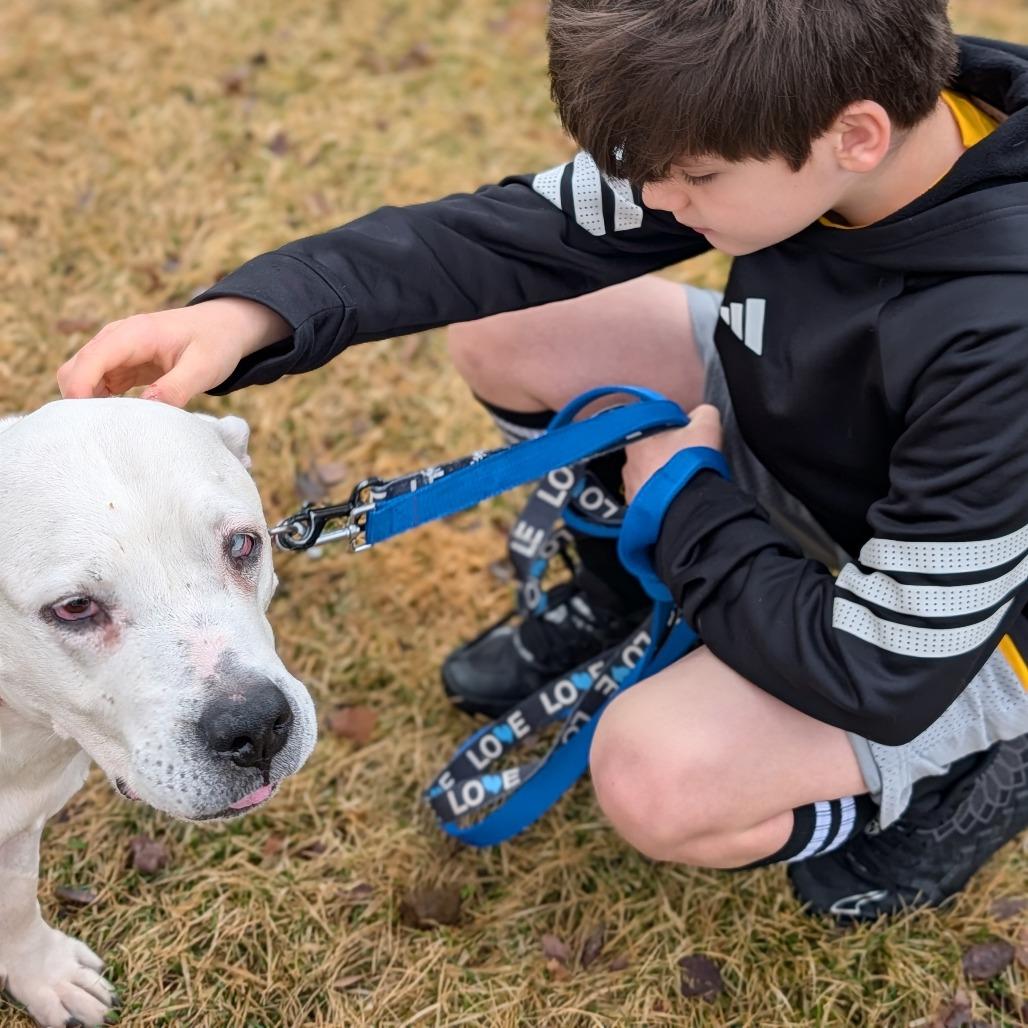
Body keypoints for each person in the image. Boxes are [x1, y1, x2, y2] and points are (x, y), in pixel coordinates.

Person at [58, 0, 1028, 922]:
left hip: (953, 627)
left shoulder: (1000, 328)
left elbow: (879, 667)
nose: (658, 199)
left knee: (655, 777)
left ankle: (956, 771)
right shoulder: (799, 106)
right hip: (817, 437)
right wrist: (252, 314)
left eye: (694, 176)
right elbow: (500, 240)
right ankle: (630, 599)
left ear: (855, 137)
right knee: (517, 328)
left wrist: (685, 505)